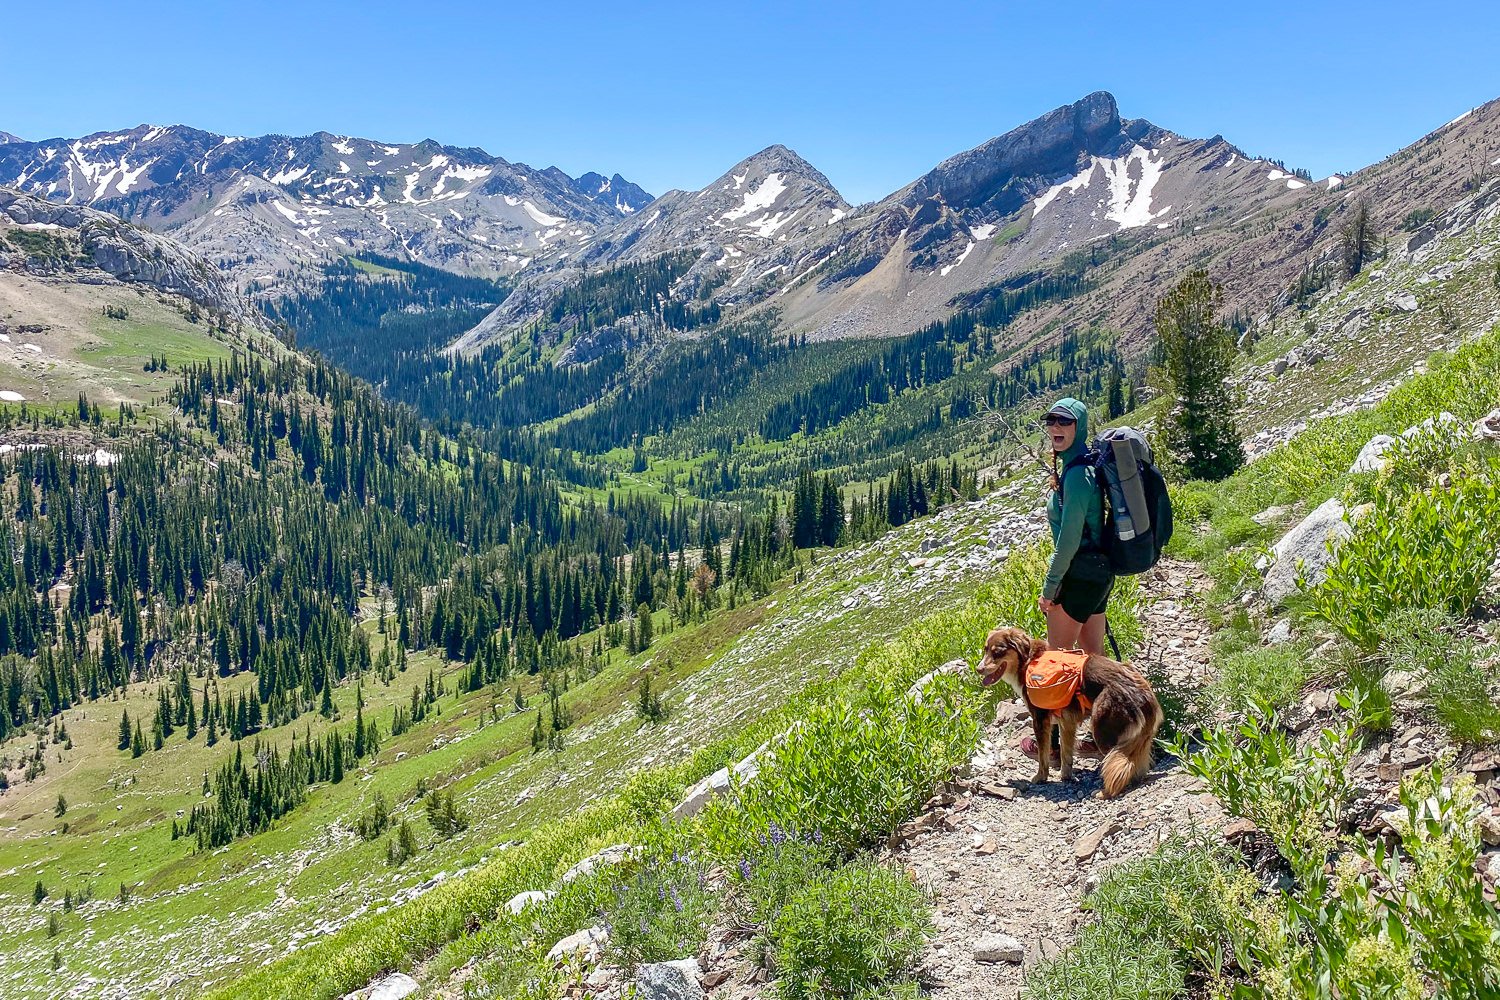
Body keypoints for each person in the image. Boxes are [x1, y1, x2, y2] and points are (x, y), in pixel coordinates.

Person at [1039, 396, 1112, 656]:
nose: (1055, 427)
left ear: (1078, 426)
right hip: (1096, 573)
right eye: (1051, 420)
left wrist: (1050, 588)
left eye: (1065, 421)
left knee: (1056, 657)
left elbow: (1068, 540)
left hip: (1079, 573)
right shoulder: (1080, 464)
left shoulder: (1079, 475)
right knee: (1094, 659)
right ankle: (1114, 697)